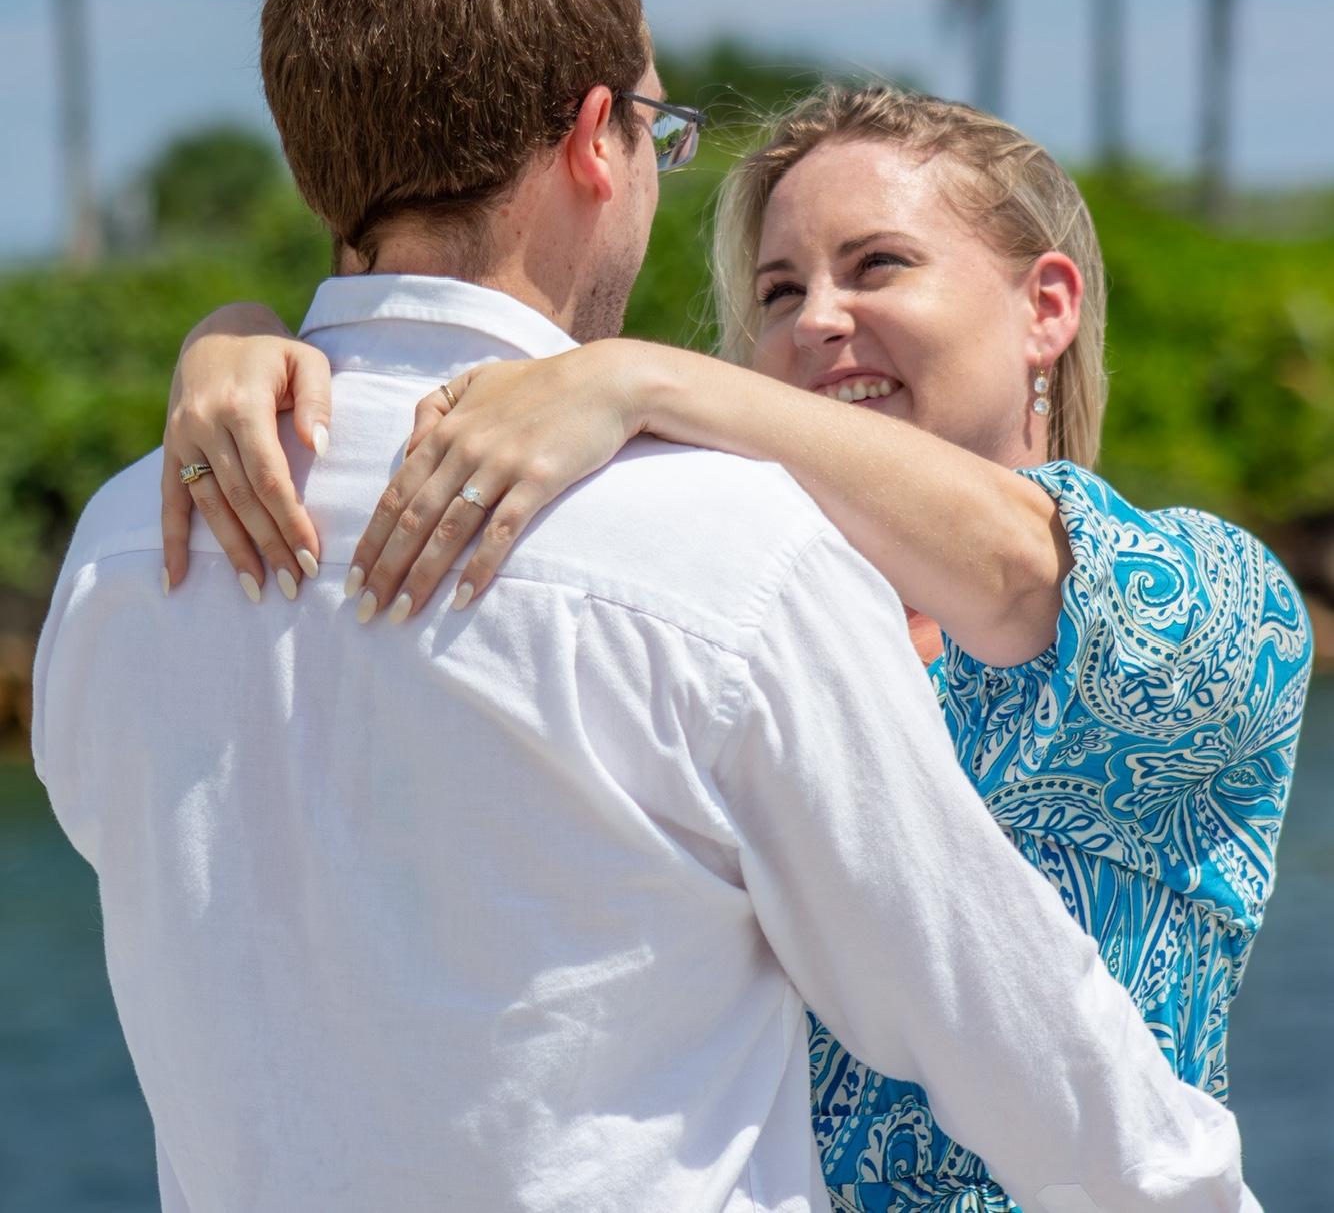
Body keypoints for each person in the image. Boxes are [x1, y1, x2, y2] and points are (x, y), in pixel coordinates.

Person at [162, 77, 1313, 1213]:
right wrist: (242, 342)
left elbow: (1019, 568)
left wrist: (649, 376)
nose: (813, 320)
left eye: (877, 265)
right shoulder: (744, 617)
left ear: (1045, 306)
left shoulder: (1214, 602)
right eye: (777, 290)